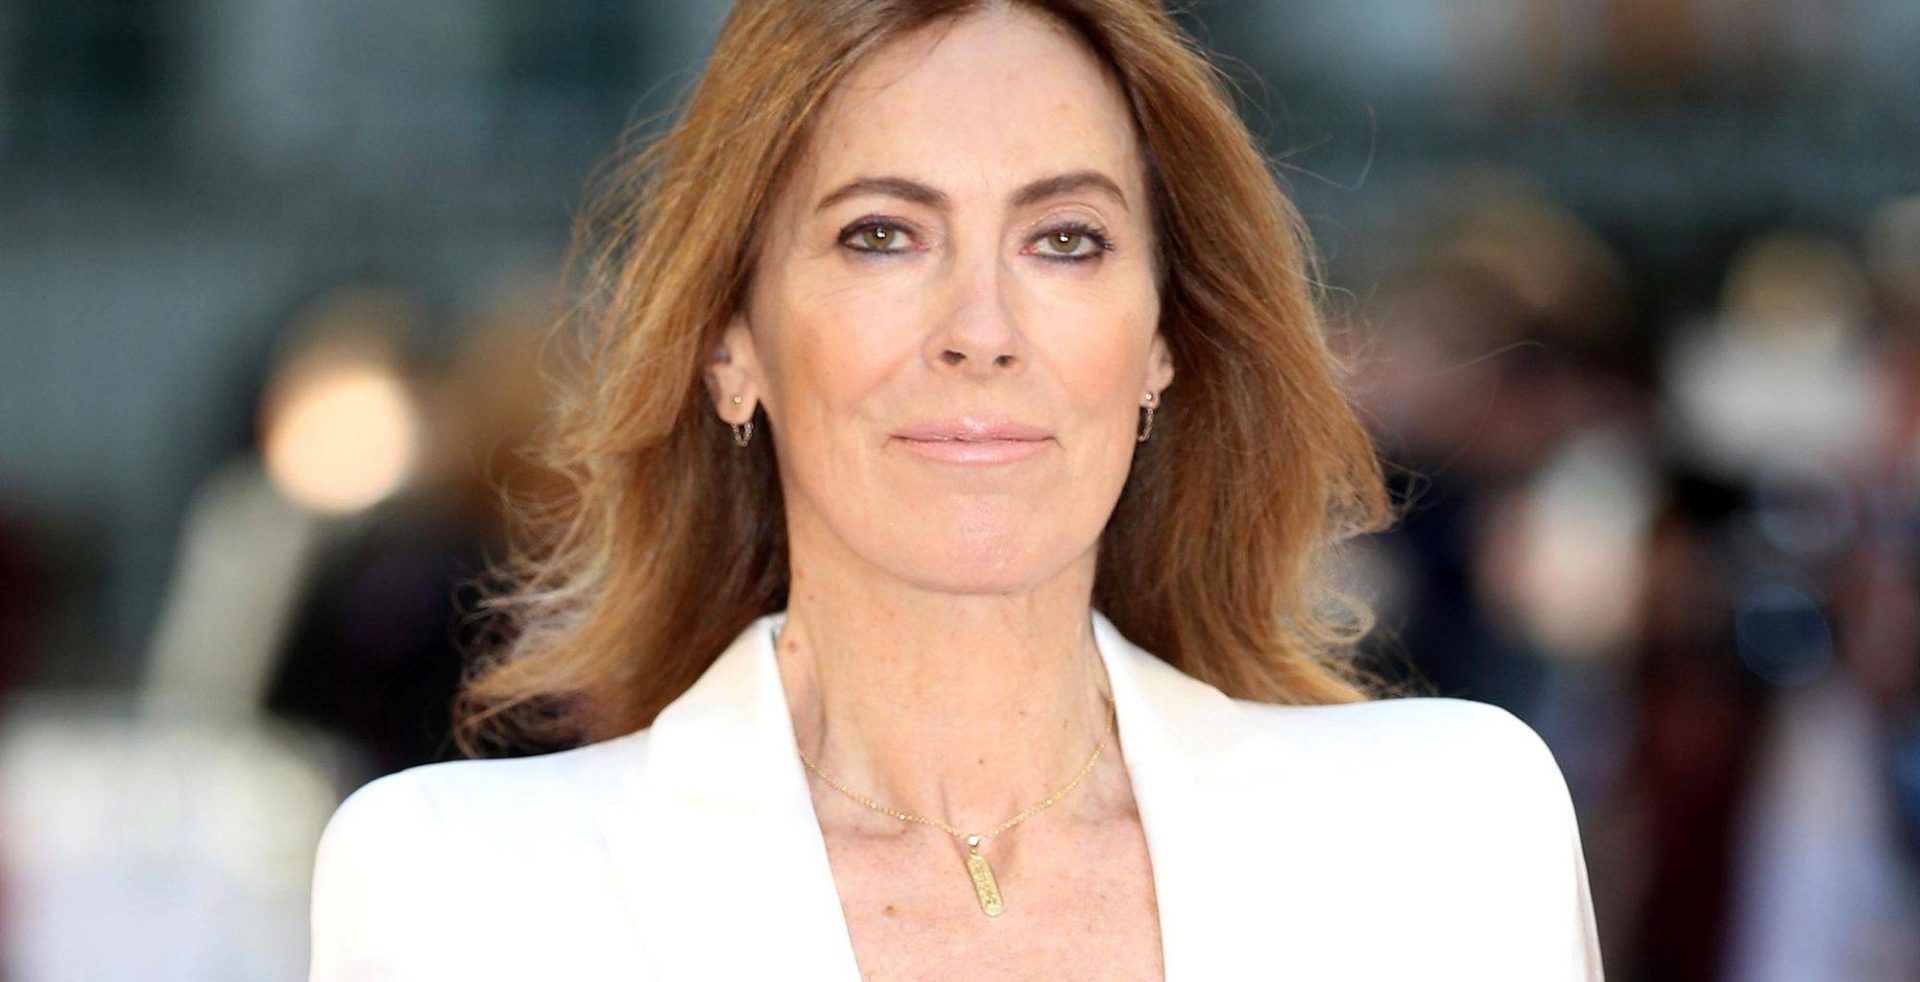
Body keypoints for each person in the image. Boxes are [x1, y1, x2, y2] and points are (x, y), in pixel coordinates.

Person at [307, 1, 1605, 979]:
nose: (981, 329)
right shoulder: (461, 891)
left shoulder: (1455, 832)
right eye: (882, 234)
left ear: (1163, 342)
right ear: (731, 342)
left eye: (1065, 240)